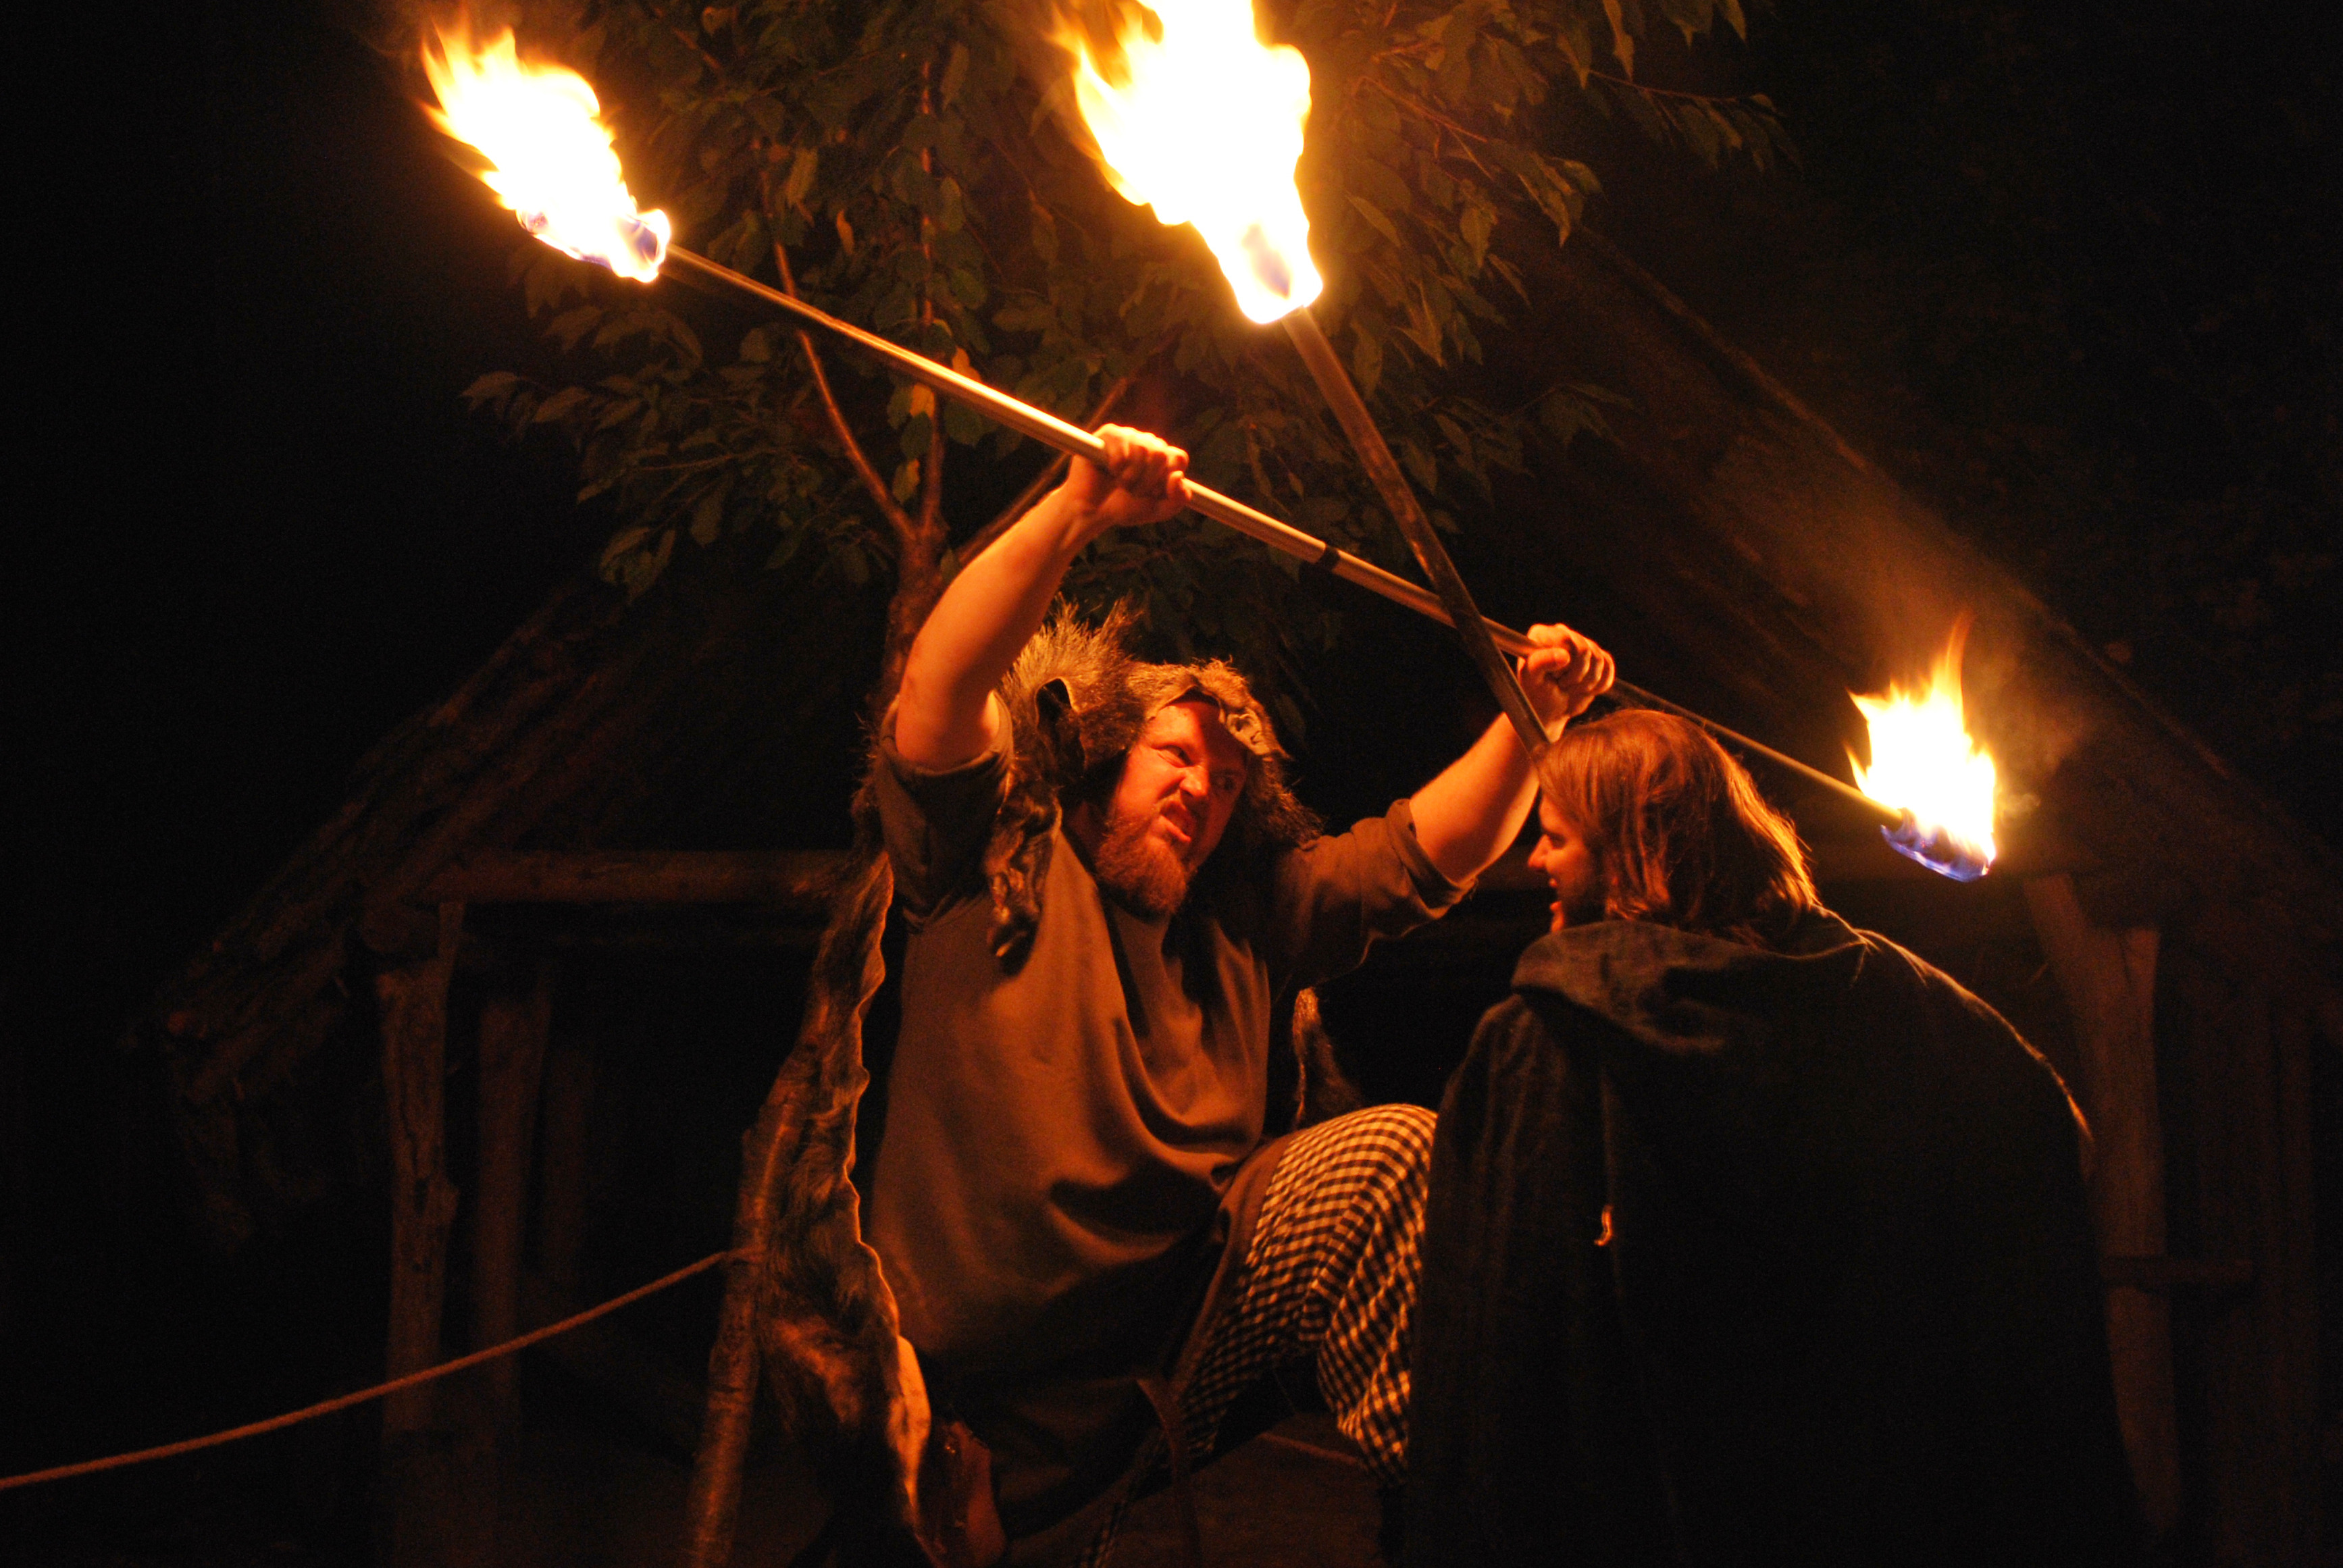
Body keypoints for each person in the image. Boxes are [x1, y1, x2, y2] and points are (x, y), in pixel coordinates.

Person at [864, 426, 1614, 1562]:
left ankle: (1455, 1525)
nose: (1200, 786)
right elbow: (940, 688)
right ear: (1107, 758)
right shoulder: (995, 858)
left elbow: (1430, 853)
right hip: (956, 1387)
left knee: (1389, 1159)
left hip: (1173, 1342)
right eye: (1175, 755)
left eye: (1224, 780)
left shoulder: (1247, 919)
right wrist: (1075, 508)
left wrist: (1535, 716)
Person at [1404, 709, 2147, 1567]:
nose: (1535, 860)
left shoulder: (1543, 1040)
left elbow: (1500, 1335)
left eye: (1556, 839)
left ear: (1634, 853)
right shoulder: (1887, 997)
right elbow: (2053, 1132)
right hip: (1867, 1500)